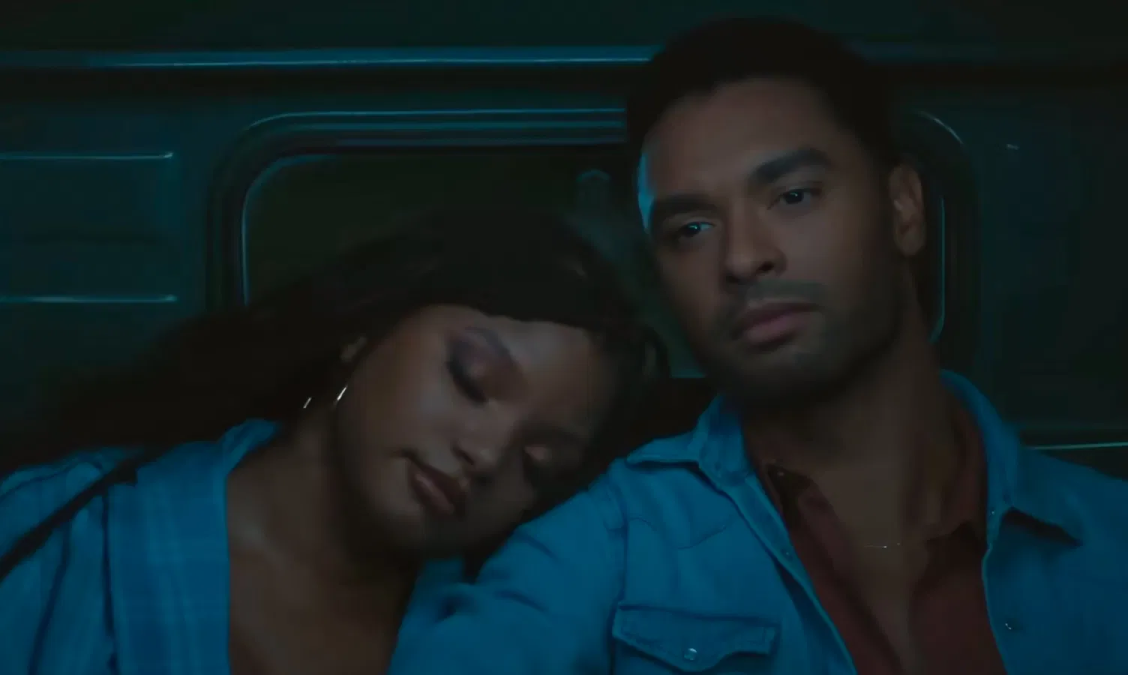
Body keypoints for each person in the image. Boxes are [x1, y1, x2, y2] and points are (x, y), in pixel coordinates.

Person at [390, 17, 1128, 675]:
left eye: (794, 195)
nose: (743, 257)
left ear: (904, 210)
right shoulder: (603, 551)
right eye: (691, 229)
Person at [0, 207, 665, 675]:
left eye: (538, 464)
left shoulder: (499, 632)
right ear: (366, 332)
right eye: (470, 379)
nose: (487, 456)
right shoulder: (48, 531)